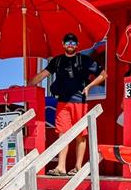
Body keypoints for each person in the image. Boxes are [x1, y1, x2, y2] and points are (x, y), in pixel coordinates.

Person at [28, 32, 106, 176]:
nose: (70, 45)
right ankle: (61, 167)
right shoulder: (57, 61)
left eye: (73, 43)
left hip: (80, 102)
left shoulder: (84, 60)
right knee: (62, 133)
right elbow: (42, 75)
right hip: (62, 102)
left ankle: (77, 167)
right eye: (68, 43)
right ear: (63, 44)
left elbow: (103, 74)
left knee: (80, 135)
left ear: (77, 45)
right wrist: (28, 85)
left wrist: (89, 87)